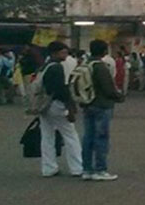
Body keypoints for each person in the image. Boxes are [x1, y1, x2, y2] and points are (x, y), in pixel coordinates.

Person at [81, 39, 124, 181]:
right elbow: (108, 88)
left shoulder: (86, 65)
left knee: (88, 137)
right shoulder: (101, 67)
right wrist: (119, 96)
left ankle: (87, 169)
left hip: (88, 103)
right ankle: (100, 169)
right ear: (105, 51)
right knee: (101, 137)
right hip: (102, 105)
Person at [39, 41, 83, 178]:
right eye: (63, 52)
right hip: (57, 104)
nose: (65, 54)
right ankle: (77, 167)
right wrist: (70, 107)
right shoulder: (57, 68)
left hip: (44, 104)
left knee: (47, 136)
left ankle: (48, 167)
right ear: (54, 53)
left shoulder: (44, 67)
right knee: (70, 135)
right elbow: (61, 90)